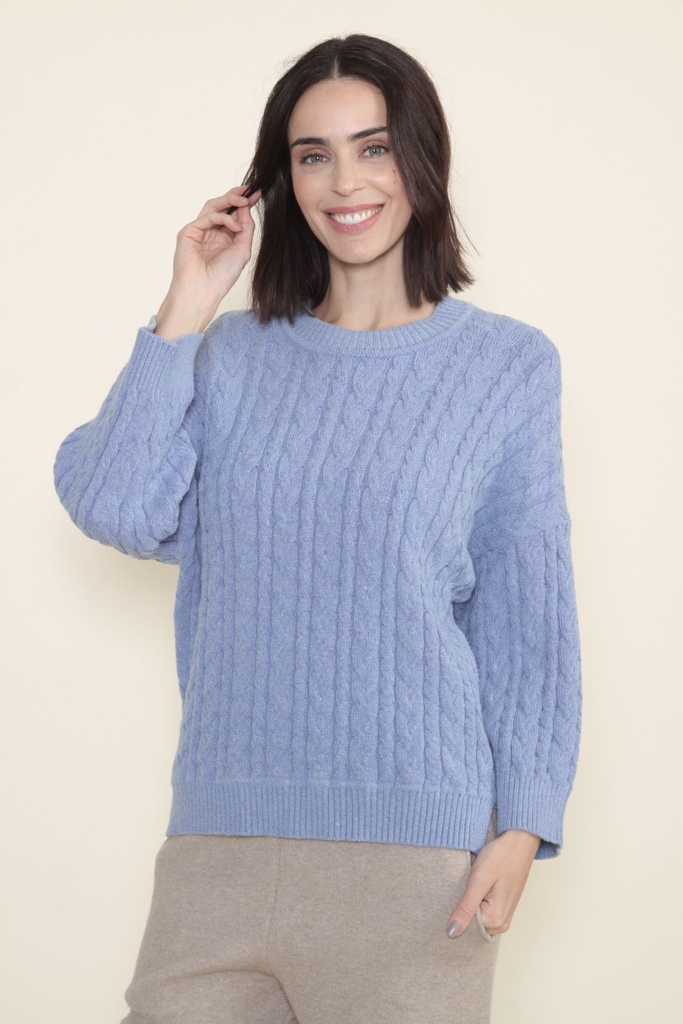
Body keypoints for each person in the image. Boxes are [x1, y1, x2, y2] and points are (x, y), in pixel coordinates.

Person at [52, 32, 582, 1024]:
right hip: (217, 848)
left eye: (373, 147)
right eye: (312, 155)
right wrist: (187, 302)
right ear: (281, 181)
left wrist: (522, 825)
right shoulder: (227, 358)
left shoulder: (506, 368)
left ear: (420, 157)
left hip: (415, 869)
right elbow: (114, 503)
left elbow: (526, 618)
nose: (345, 181)